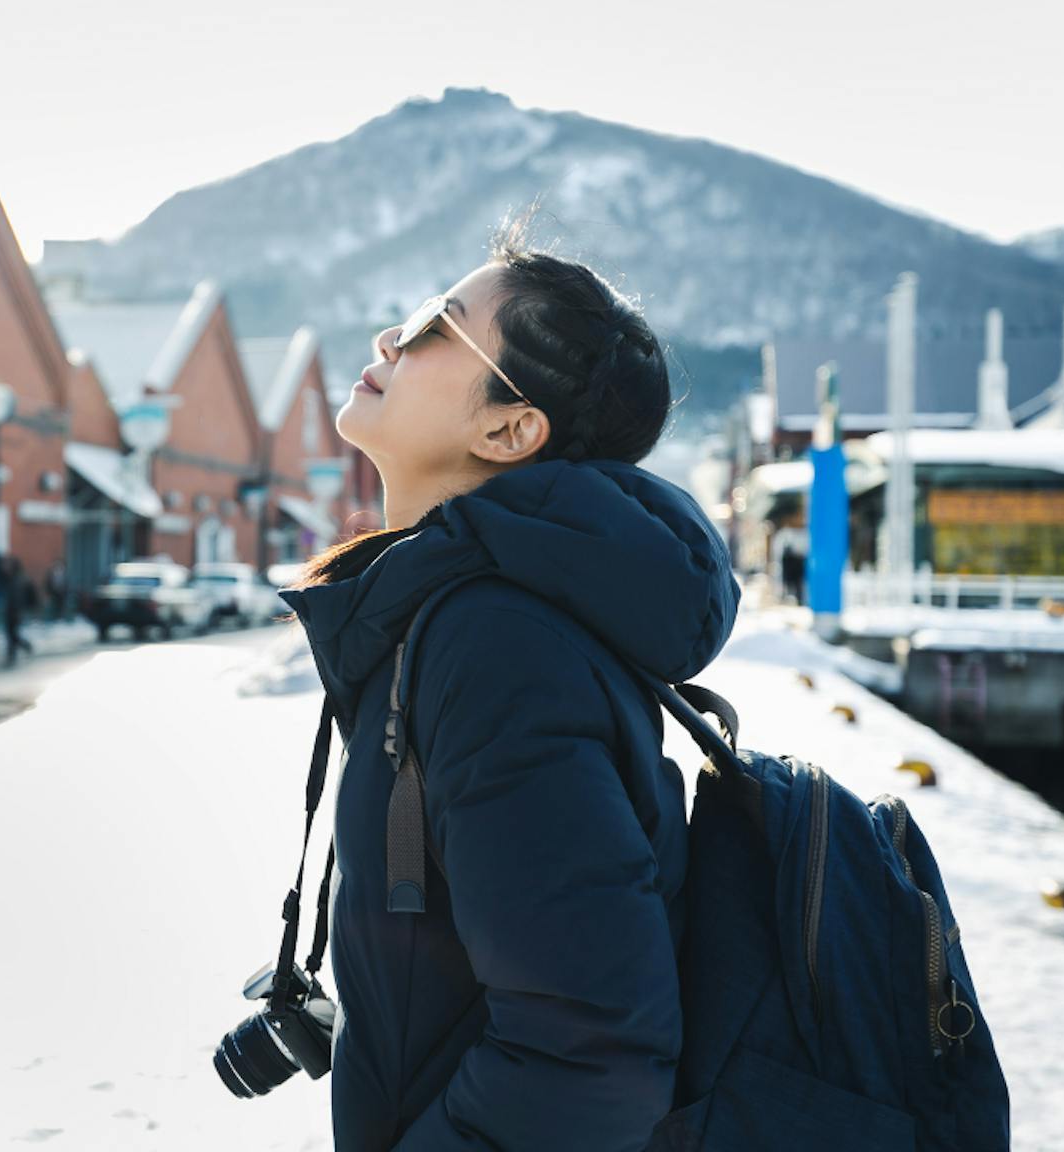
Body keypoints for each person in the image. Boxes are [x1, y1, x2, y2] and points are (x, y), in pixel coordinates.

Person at [275, 225, 738, 1152]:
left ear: (508, 429)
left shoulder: (498, 651)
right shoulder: (461, 617)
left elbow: (589, 1055)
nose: (388, 342)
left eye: (433, 325)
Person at [0, 555, 34, 668]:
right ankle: (19, 650)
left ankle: (16, 653)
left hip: (14, 611)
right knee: (11, 634)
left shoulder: (17, 579)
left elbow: (18, 598)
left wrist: (18, 612)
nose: (4, 567)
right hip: (11, 611)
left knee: (12, 634)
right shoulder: (10, 578)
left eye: (6, 565)